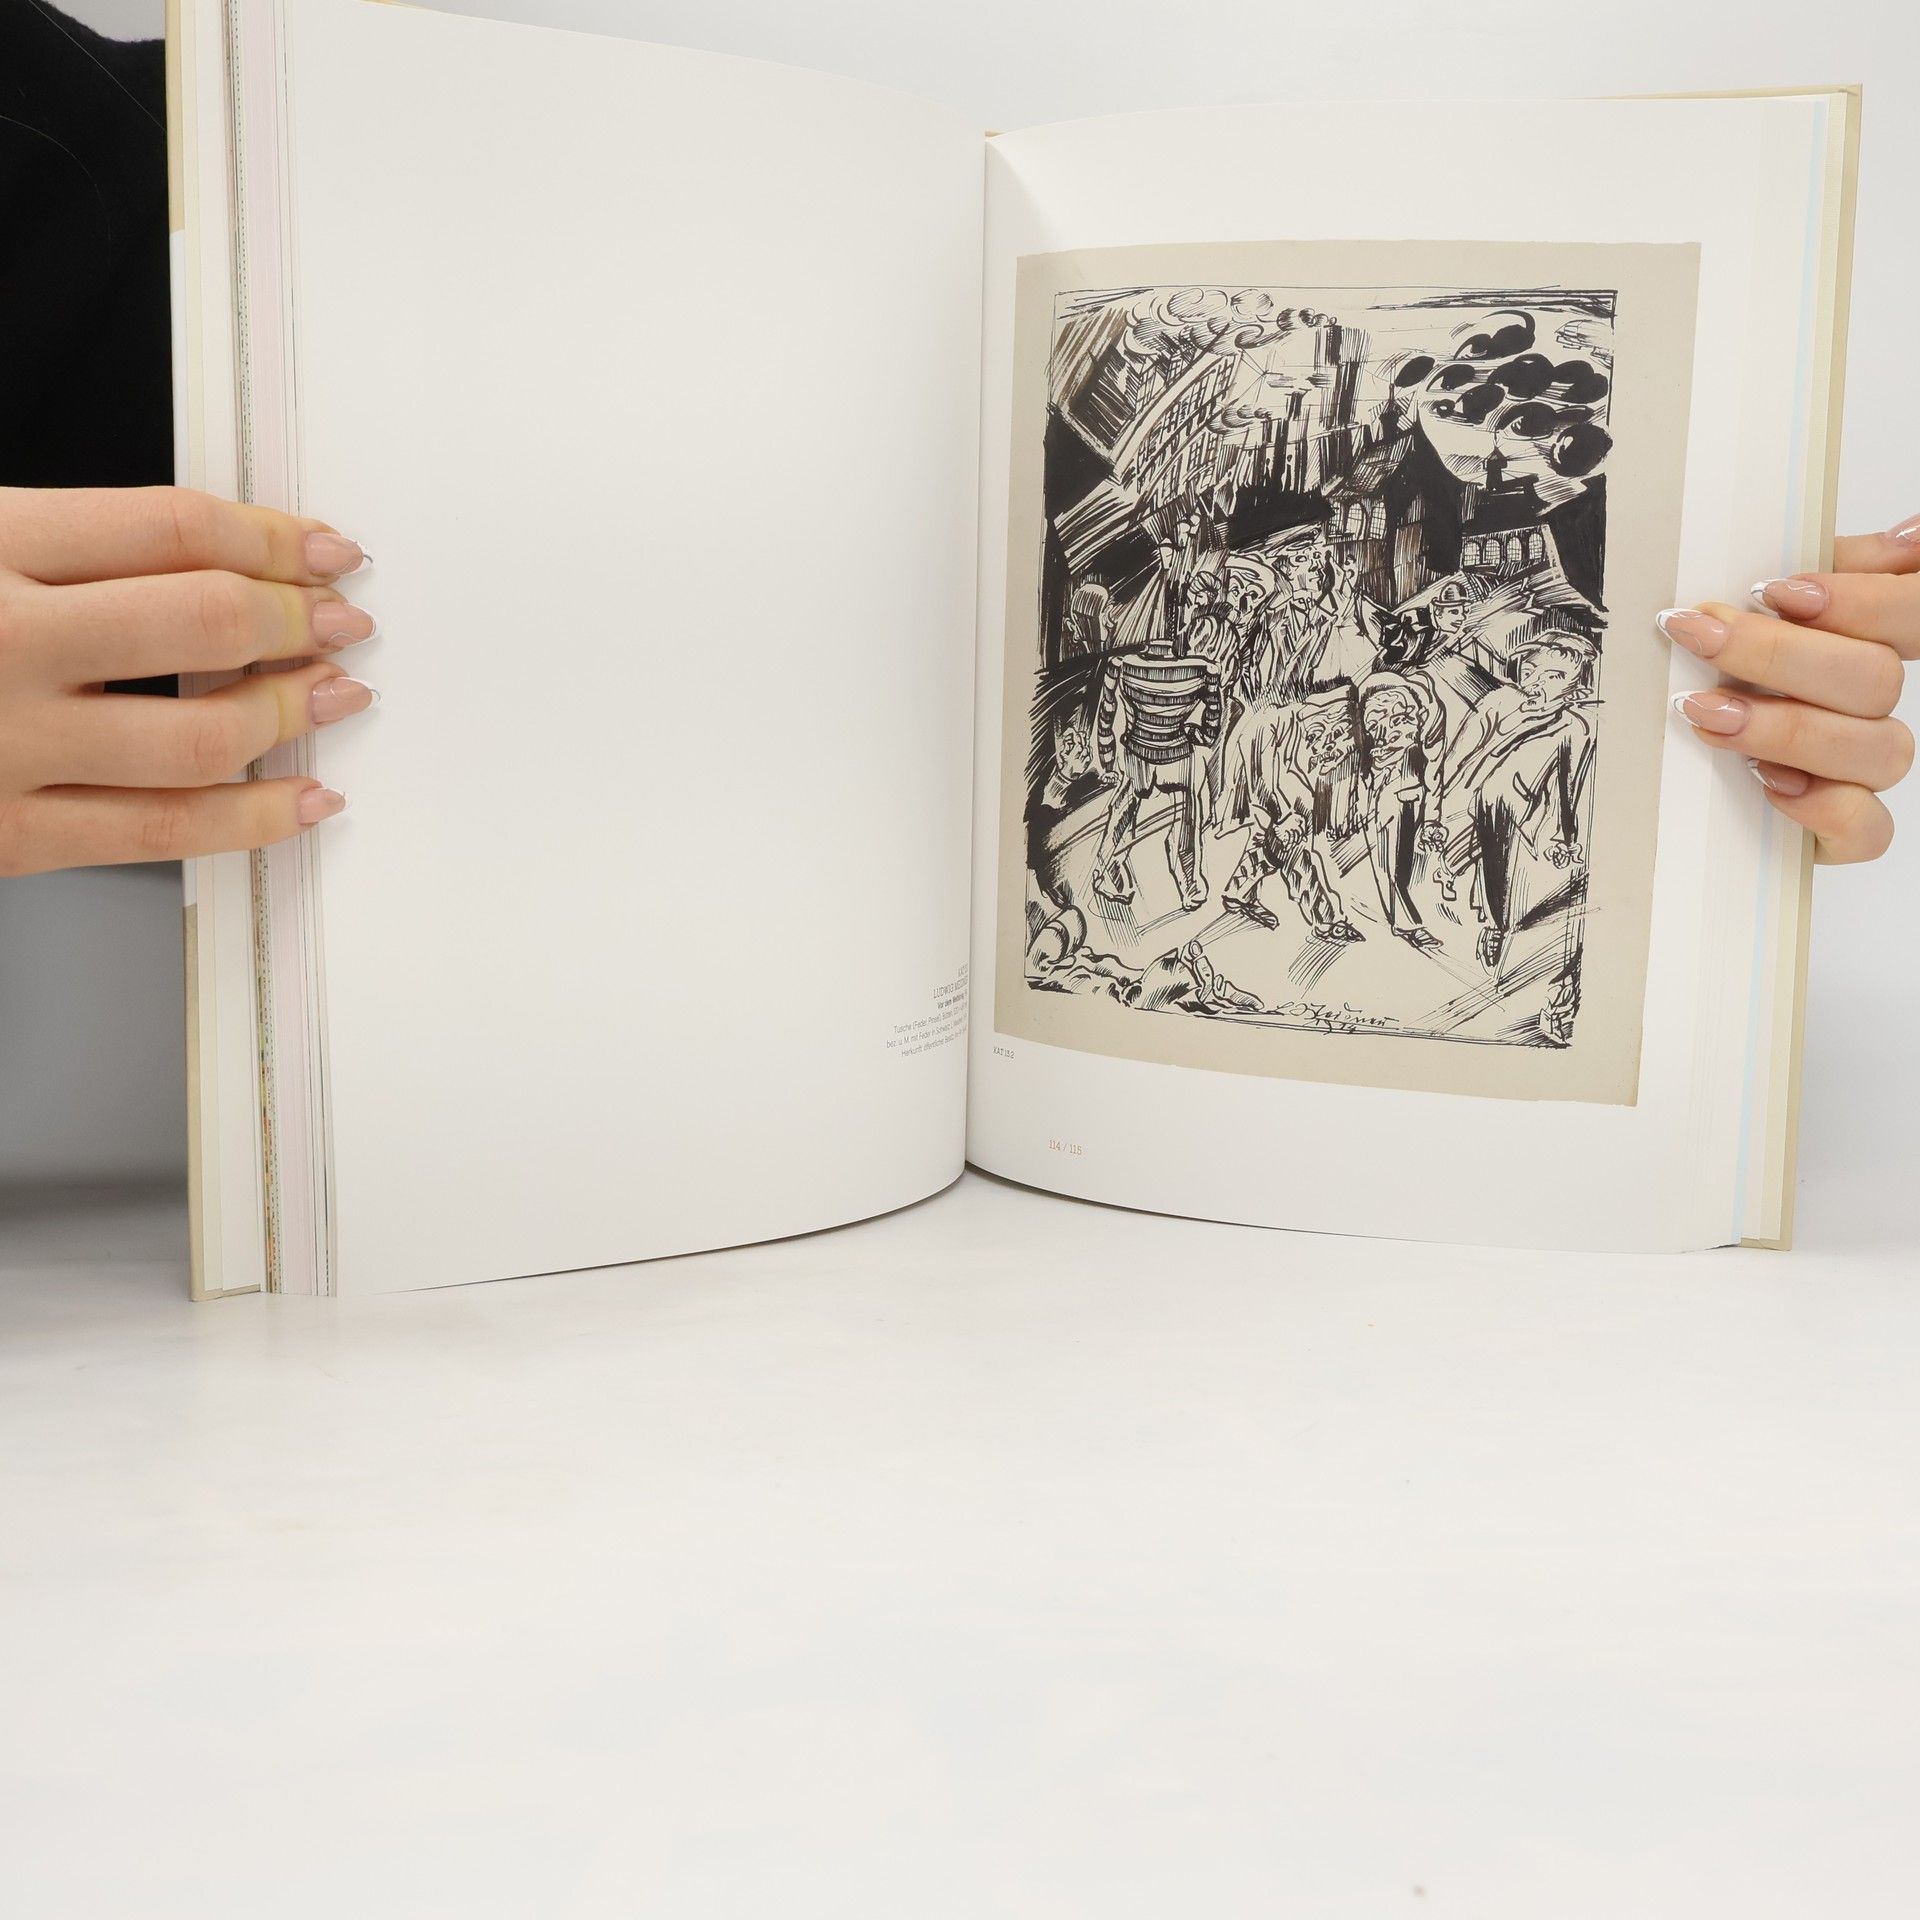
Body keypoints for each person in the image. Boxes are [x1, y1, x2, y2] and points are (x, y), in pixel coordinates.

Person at [1214, 691, 1364, 941]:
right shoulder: (1271, 724)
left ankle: (1238, 892)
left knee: (1272, 837)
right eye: (1335, 735)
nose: (1334, 748)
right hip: (1255, 778)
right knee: (1292, 840)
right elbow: (1260, 781)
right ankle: (1327, 920)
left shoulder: (1314, 739)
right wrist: (1282, 815)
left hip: (1278, 782)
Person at [1355, 670, 1449, 951]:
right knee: (1395, 864)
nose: (1386, 731)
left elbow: (1434, 774)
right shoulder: (1375, 744)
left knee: (1405, 862)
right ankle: (1407, 923)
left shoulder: (1428, 729)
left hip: (1411, 795)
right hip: (1388, 797)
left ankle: (1404, 918)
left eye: (1401, 718)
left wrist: (1431, 819)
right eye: (1376, 723)